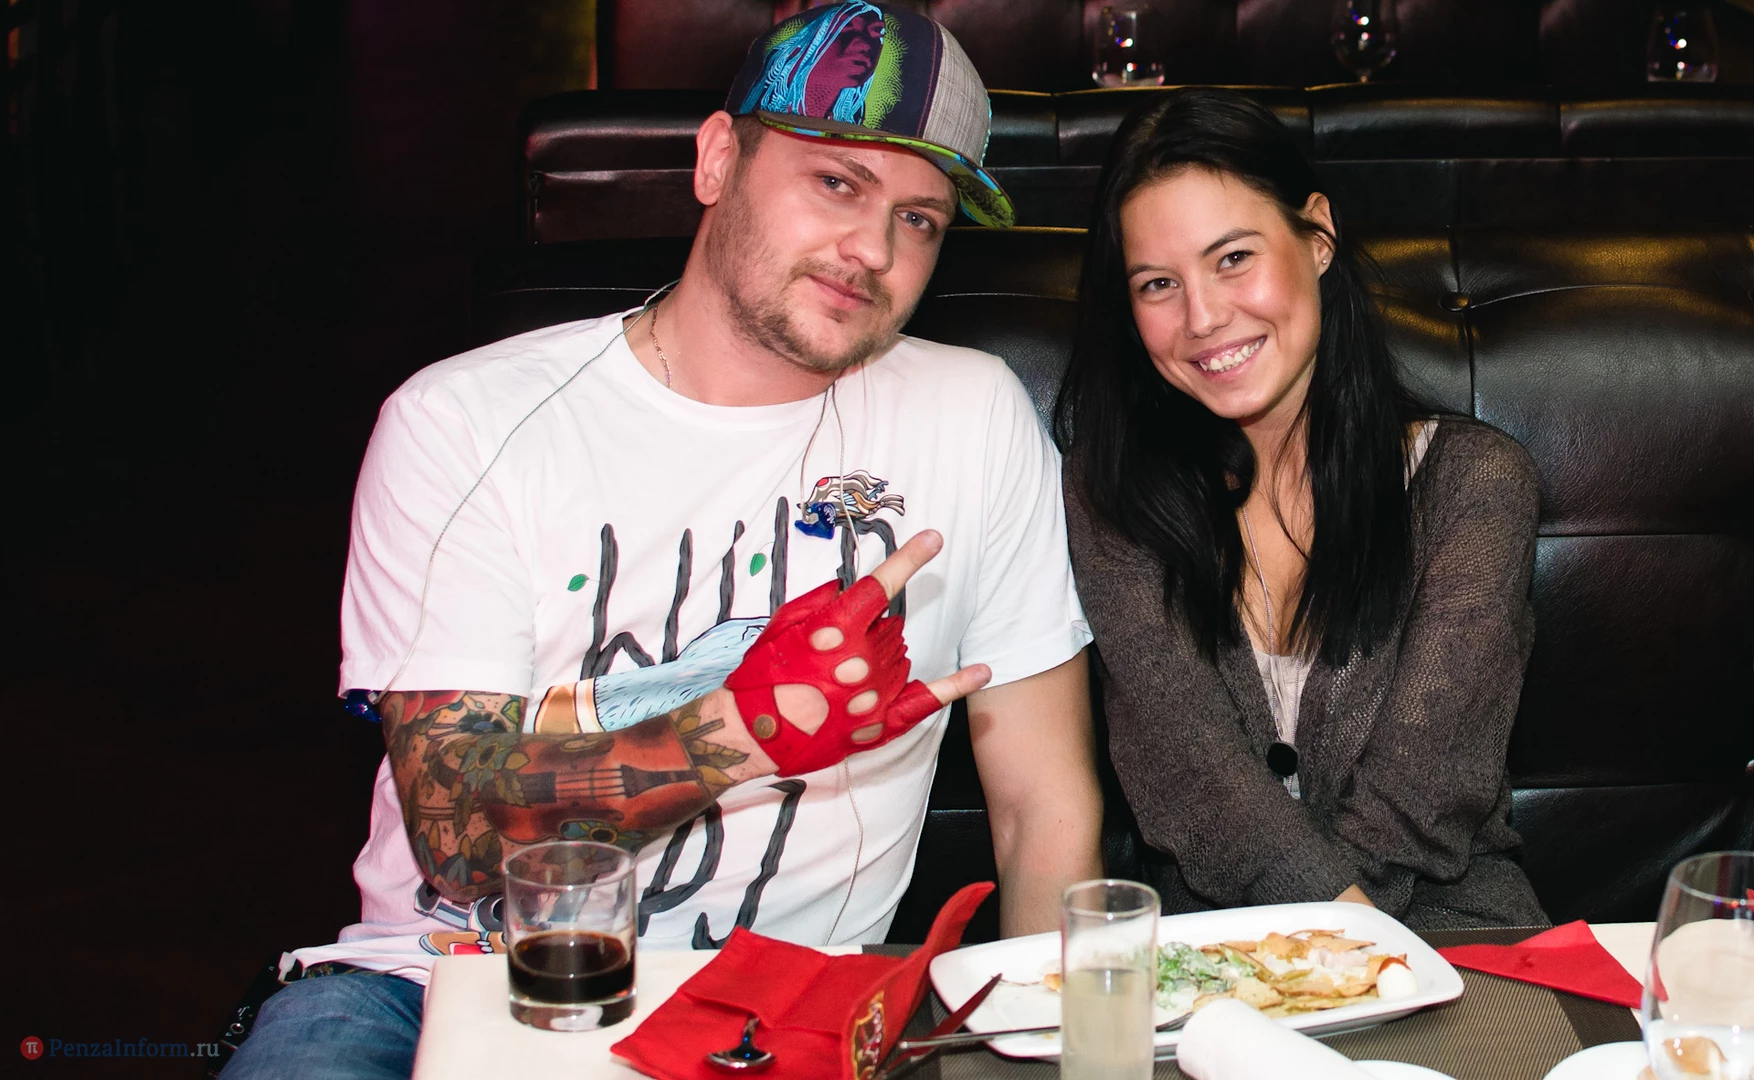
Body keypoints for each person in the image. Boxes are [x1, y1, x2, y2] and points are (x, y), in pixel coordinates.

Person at [221, 6, 1100, 1077]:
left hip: (779, 1013)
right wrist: (743, 729)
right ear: (718, 159)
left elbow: (1042, 804)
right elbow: (455, 835)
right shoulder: (466, 422)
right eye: (836, 182)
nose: (872, 251)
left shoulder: (973, 415)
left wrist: (1059, 1048)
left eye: (918, 219)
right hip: (439, 984)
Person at [1055, 88, 1548, 930]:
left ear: (1317, 235)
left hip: (1452, 932)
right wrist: (1312, 963)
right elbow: (1192, 780)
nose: (1203, 318)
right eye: (1158, 283)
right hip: (1219, 952)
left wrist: (1334, 954)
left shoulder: (1472, 482)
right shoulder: (1112, 493)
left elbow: (1423, 798)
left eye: (1233, 258)